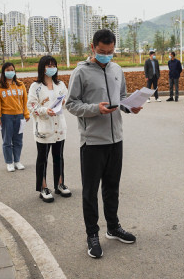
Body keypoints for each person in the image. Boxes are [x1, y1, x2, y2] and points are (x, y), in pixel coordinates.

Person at [66, 29, 142, 259]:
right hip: (92, 142)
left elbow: (122, 98)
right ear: (93, 47)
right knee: (90, 192)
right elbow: (71, 104)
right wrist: (94, 109)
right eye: (102, 51)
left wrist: (131, 106)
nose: (106, 55)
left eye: (110, 52)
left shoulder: (117, 69)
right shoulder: (80, 72)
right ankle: (92, 235)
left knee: (112, 187)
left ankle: (113, 227)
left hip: (115, 139)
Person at [28, 56, 71, 202]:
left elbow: (67, 100)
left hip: (59, 126)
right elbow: (31, 106)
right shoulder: (36, 87)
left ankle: (60, 183)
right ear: (42, 67)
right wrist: (45, 110)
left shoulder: (60, 84)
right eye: (48, 65)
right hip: (44, 127)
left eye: (54, 65)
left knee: (59, 157)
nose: (52, 68)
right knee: (43, 159)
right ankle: (43, 187)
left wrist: (63, 102)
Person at [0, 62, 30, 172]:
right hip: (6, 116)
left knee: (18, 140)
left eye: (12, 70)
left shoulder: (20, 84)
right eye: (8, 70)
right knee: (7, 141)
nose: (10, 72)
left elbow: (25, 101)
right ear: (3, 72)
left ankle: (17, 161)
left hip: (19, 116)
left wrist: (26, 114)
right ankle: (9, 162)